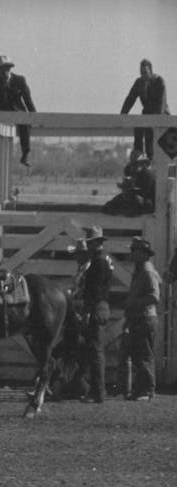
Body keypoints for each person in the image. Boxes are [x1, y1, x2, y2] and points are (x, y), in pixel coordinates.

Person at [120, 237, 161, 401]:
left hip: (145, 317)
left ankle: (148, 390)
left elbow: (154, 296)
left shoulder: (147, 270)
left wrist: (133, 303)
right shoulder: (141, 269)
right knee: (138, 354)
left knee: (144, 354)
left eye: (135, 251)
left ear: (144, 253)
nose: (132, 254)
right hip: (139, 317)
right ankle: (140, 389)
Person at [76, 227, 114, 404]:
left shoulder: (98, 262)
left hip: (96, 307)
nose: (89, 246)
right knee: (95, 350)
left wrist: (87, 311)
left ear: (97, 243)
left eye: (91, 243)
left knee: (95, 351)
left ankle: (98, 392)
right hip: (102, 306)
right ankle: (96, 390)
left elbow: (95, 290)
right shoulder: (104, 259)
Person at [0, 55, 36, 167]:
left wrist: (34, 116)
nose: (0, 71)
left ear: (9, 69)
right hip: (2, 113)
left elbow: (28, 99)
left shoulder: (20, 80)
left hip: (18, 112)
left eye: (2, 68)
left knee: (24, 122)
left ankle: (25, 153)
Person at [121, 59, 168, 162]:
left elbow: (161, 104)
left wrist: (155, 121)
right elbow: (130, 99)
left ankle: (152, 158)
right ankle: (140, 153)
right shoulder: (139, 83)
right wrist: (123, 115)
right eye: (141, 73)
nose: (143, 75)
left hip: (162, 116)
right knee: (139, 126)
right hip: (147, 115)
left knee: (167, 152)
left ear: (151, 71)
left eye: (145, 73)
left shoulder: (159, 82)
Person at [103, 152, 155, 216]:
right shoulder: (133, 172)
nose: (135, 166)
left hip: (146, 200)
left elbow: (143, 194)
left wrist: (129, 190)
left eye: (137, 164)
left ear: (143, 164)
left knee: (137, 203)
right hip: (133, 196)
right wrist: (125, 187)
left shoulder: (147, 175)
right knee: (109, 206)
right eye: (134, 164)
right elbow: (129, 182)